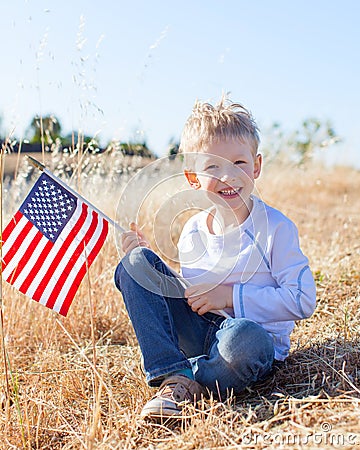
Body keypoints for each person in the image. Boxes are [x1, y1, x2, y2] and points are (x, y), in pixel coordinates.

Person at [114, 96, 316, 420]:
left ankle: (189, 379)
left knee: (244, 340)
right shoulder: (193, 231)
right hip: (205, 335)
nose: (228, 176)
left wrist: (231, 296)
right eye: (212, 166)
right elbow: (195, 299)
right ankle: (172, 372)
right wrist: (149, 262)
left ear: (257, 166)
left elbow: (302, 300)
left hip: (250, 342)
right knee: (135, 264)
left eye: (239, 163)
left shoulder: (276, 229)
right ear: (193, 178)